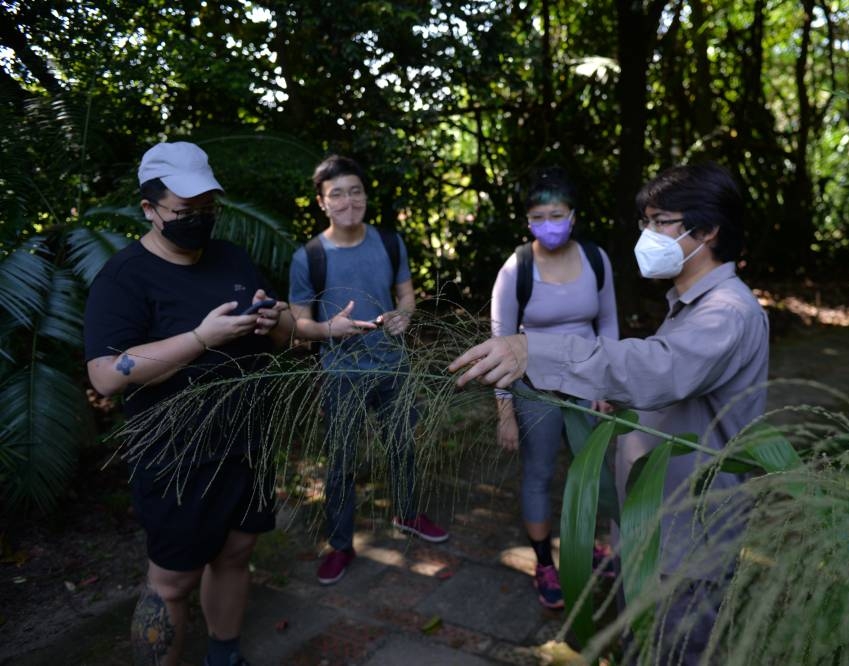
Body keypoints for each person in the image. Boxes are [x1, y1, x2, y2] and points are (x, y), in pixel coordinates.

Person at [450, 162, 769, 661]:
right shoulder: (689, 302)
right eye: (645, 221)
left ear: (707, 231)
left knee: (673, 651)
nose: (647, 234)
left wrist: (538, 351)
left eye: (660, 220)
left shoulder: (727, 310)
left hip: (685, 542)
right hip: (654, 526)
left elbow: (659, 368)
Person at [84, 141, 293, 666]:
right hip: (178, 458)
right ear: (149, 210)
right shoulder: (123, 278)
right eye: (185, 211)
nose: (198, 221)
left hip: (247, 443)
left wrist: (275, 320)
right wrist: (201, 338)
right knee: (172, 580)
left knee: (238, 552)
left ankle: (225, 654)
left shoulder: (231, 257)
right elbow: (106, 375)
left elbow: (282, 331)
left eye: (207, 210)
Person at [288, 154, 449, 587]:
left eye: (354, 191)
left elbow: (407, 298)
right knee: (341, 462)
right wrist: (328, 329)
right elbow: (297, 324)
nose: (348, 201)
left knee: (403, 446)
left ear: (365, 194)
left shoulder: (389, 242)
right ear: (322, 202)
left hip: (392, 366)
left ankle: (409, 512)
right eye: (336, 194)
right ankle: (341, 545)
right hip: (342, 375)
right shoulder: (309, 257)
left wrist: (403, 318)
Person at [490, 167, 619, 609]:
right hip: (535, 389)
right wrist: (505, 411)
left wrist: (608, 381)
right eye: (539, 216)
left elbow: (608, 324)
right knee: (540, 472)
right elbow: (500, 341)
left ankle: (588, 545)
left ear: (573, 216)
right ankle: (545, 562)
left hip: (587, 382)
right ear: (528, 221)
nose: (550, 224)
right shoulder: (516, 270)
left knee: (593, 470)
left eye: (557, 215)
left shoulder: (596, 260)